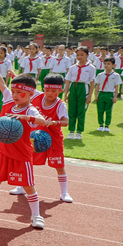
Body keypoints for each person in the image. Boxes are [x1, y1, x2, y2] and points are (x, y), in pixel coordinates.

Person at [0, 64, 48, 229]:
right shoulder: (8, 102)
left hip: (22, 155)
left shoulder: (31, 110)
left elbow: (42, 121)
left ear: (30, 94)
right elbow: (1, 84)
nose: (14, 95)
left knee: (28, 187)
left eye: (20, 93)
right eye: (13, 92)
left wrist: (25, 117)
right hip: (4, 153)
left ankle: (36, 216)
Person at [16, 74, 72, 203]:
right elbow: (25, 85)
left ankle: (64, 192)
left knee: (59, 165)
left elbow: (66, 121)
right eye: (47, 90)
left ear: (60, 90)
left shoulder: (60, 104)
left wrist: (54, 123)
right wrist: (13, 75)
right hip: (35, 137)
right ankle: (21, 186)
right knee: (28, 161)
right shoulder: (37, 96)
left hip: (54, 138)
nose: (50, 93)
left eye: (54, 91)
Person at [62, 46, 95, 140]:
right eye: (78, 55)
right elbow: (68, 81)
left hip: (83, 88)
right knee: (71, 110)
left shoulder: (91, 68)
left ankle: (79, 132)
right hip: (73, 88)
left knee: (81, 111)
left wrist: (89, 96)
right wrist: (66, 94)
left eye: (82, 55)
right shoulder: (73, 67)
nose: (79, 57)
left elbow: (92, 82)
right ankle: (71, 131)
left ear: (87, 55)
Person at [91, 57, 121, 132]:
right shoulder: (100, 75)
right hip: (102, 93)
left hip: (110, 94)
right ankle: (100, 124)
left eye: (108, 64)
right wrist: (96, 95)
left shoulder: (116, 75)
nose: (106, 65)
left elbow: (117, 86)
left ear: (113, 65)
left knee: (108, 110)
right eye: (105, 64)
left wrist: (115, 96)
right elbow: (97, 85)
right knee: (100, 110)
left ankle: (107, 125)